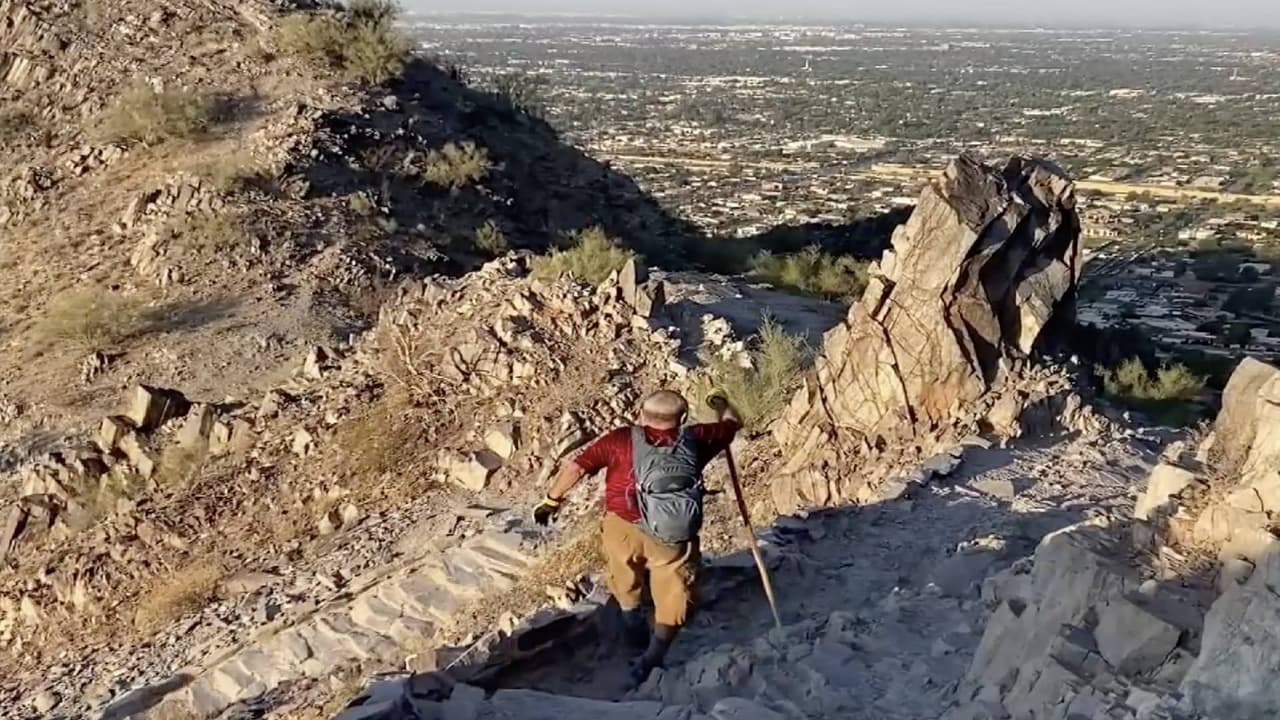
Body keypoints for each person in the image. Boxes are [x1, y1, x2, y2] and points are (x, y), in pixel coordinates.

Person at [532, 389, 742, 683]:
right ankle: (652, 657)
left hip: (623, 528)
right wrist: (722, 405)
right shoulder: (699, 437)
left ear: (641, 415)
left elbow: (576, 467)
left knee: (624, 575)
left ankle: (632, 627)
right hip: (672, 535)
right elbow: (734, 422)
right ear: (682, 419)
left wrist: (551, 501)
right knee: (674, 592)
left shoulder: (620, 439)